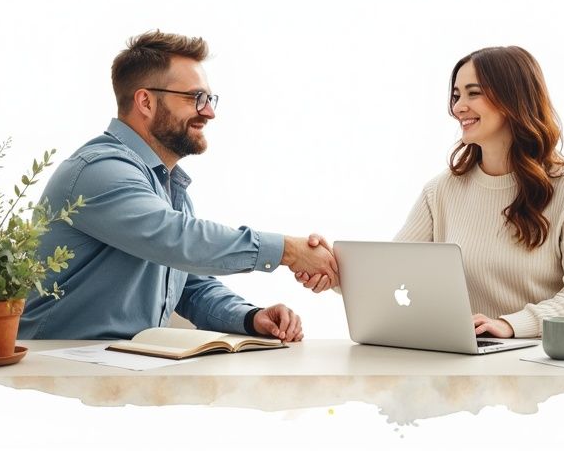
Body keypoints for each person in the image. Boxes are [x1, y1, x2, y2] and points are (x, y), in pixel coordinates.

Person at [19, 30, 338, 342]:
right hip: (61, 374)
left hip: (122, 372)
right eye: (195, 98)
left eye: (209, 99)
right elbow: (176, 240)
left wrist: (250, 317)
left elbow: (188, 284)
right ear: (145, 101)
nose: (209, 112)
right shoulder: (100, 171)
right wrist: (287, 251)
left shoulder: (167, 187)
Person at [392, 46, 564, 339]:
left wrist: (511, 324)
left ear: (513, 99)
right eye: (457, 95)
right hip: (487, 361)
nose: (458, 107)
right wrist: (328, 267)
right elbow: (393, 272)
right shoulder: (441, 190)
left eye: (474, 93)